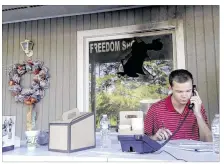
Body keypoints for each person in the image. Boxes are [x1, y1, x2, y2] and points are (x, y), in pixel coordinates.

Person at [144, 69, 212, 142]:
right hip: (166, 153)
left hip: (193, 152)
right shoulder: (155, 109)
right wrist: (154, 138)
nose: (184, 95)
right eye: (179, 91)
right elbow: (143, 141)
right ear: (170, 88)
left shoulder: (197, 106)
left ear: (193, 89)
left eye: (188, 91)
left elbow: (209, 141)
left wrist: (198, 114)